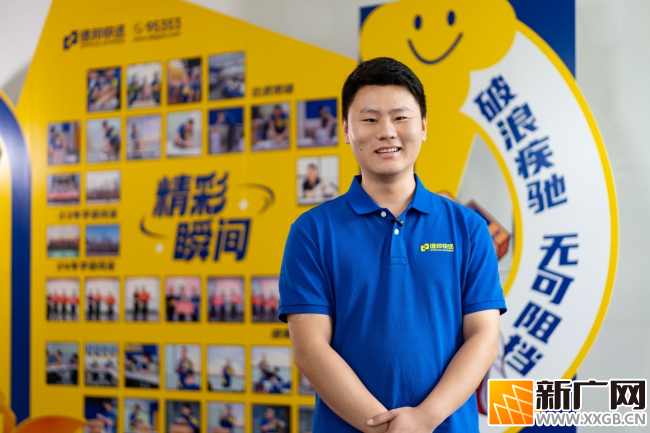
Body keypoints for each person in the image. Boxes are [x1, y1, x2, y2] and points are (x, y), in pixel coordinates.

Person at [279, 58, 506, 432]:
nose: (387, 132)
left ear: (424, 126)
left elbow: (483, 337)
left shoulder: (468, 228)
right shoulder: (312, 232)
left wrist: (424, 419)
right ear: (346, 130)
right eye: (369, 119)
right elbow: (311, 349)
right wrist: (388, 428)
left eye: (400, 117)